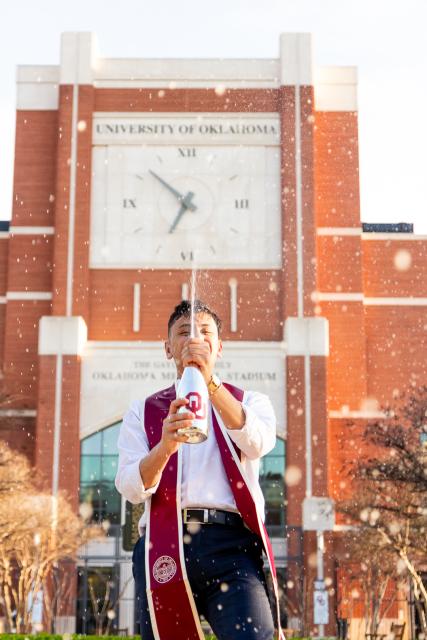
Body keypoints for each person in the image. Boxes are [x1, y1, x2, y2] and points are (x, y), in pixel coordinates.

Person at [115, 300, 283, 640]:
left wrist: (212, 386)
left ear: (218, 348)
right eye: (183, 332)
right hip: (164, 544)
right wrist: (165, 446)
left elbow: (259, 443)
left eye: (205, 333)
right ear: (167, 348)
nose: (194, 339)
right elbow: (131, 488)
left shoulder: (249, 402)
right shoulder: (143, 412)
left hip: (231, 545)